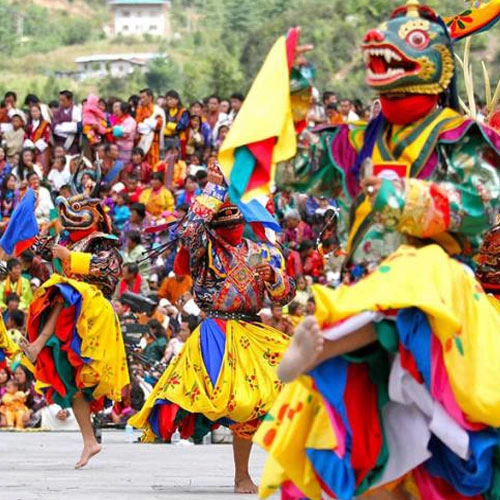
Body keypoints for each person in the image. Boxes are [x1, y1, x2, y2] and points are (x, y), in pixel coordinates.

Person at [255, 4, 500, 499]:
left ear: (439, 63)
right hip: (366, 297)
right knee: (376, 465)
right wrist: (295, 93)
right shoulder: (359, 140)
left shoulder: (461, 137)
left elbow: (479, 204)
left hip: (440, 309)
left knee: (422, 267)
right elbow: (292, 166)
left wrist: (397, 197)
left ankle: (325, 344)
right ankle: (331, 342)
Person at [129, 161, 295, 494]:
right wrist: (211, 190)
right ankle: (241, 475)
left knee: (286, 390)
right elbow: (186, 232)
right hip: (217, 331)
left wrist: (275, 279)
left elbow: (286, 296)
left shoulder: (264, 250)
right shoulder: (205, 247)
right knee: (235, 398)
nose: (229, 218)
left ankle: (271, 469)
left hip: (253, 331)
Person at [18, 163, 129, 467]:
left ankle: (39, 343)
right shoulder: (66, 240)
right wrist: (28, 228)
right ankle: (89, 441)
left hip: (92, 310)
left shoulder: (104, 243)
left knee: (62, 290)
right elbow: (39, 249)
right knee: (72, 381)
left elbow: (110, 269)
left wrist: (71, 258)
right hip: (70, 315)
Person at [135, 88, 165, 167]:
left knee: (153, 166)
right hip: (141, 142)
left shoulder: (157, 110)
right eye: (140, 98)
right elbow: (138, 126)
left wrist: (145, 122)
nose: (141, 100)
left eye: (143, 97)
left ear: (150, 97)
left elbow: (158, 125)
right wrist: (149, 124)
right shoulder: (139, 110)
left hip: (153, 143)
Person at [24, 103, 51, 174]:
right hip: (29, 149)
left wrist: (36, 147)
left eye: (36, 111)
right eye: (32, 111)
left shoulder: (45, 124)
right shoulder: (28, 125)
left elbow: (46, 138)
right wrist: (29, 144)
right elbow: (25, 136)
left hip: (41, 150)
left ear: (40, 112)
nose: (34, 113)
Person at [52, 90, 81, 154]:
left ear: (70, 100)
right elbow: (55, 128)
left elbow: (77, 128)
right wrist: (70, 125)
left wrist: (62, 126)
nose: (61, 103)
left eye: (63, 100)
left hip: (72, 145)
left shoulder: (77, 111)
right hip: (59, 145)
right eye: (60, 100)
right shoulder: (57, 112)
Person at [163, 90, 190, 157]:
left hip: (177, 139)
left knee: (177, 157)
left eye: (172, 99)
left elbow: (182, 126)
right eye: (168, 100)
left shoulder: (183, 111)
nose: (170, 101)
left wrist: (169, 125)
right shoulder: (165, 111)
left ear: (177, 100)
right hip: (165, 139)